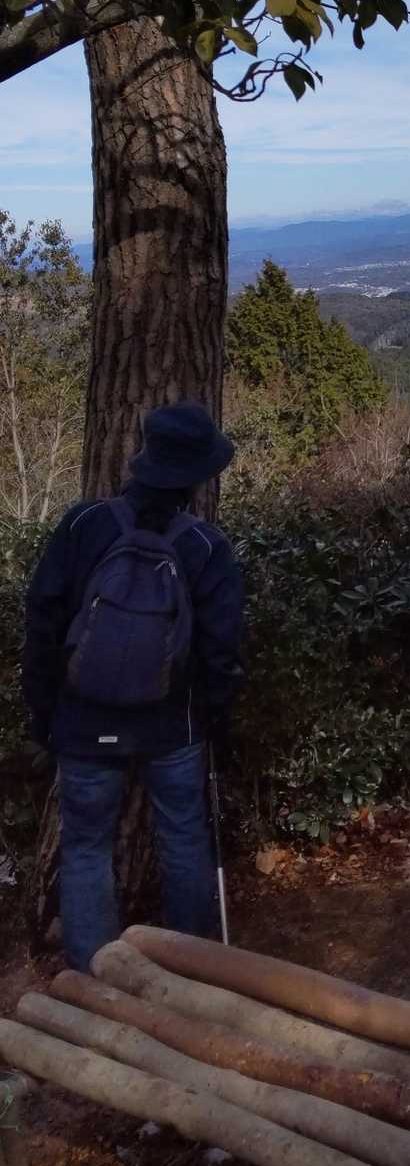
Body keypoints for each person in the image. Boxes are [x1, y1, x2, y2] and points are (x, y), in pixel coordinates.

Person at [22, 401, 244, 971]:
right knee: (183, 837)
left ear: (144, 457)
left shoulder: (84, 525)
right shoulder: (206, 547)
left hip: (83, 721)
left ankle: (97, 978)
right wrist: (218, 721)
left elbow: (43, 622)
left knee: (86, 847)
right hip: (173, 727)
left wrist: (43, 715)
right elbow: (221, 652)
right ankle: (192, 969)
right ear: (196, 476)